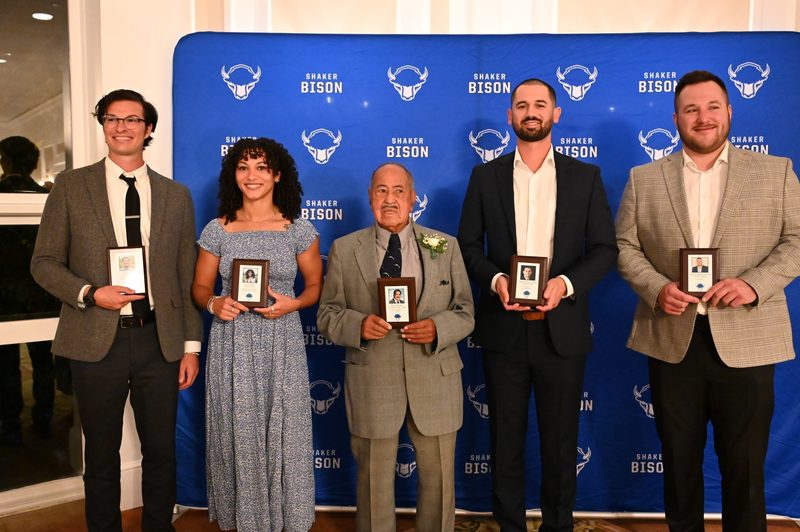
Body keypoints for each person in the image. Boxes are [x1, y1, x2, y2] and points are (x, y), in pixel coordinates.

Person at [616, 70, 800, 532]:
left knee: (744, 467)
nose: (703, 118)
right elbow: (625, 248)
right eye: (691, 109)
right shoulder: (644, 178)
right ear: (675, 117)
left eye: (712, 107)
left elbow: (797, 241)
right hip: (671, 338)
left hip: (748, 337)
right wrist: (657, 288)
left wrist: (754, 284)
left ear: (729, 112)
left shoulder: (774, 171)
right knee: (678, 464)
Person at [30, 89, 203, 531]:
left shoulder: (175, 195)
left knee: (162, 452)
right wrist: (90, 292)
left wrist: (189, 346)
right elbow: (44, 263)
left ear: (148, 129)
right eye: (112, 118)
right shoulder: (71, 185)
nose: (121, 127)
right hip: (95, 339)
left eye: (132, 119)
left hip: (157, 341)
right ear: (103, 125)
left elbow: (185, 276)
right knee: (101, 454)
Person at [457, 78, 617, 532]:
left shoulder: (585, 178)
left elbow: (605, 249)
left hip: (561, 329)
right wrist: (497, 279)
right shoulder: (484, 177)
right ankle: (509, 525)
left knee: (561, 443)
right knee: (504, 439)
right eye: (521, 105)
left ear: (556, 114)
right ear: (509, 116)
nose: (531, 111)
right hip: (502, 328)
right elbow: (467, 245)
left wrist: (564, 284)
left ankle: (558, 525)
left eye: (540, 104)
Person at [317, 162, 474, 532]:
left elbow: (466, 311)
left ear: (413, 197)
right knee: (373, 484)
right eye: (382, 191)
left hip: (434, 378)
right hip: (373, 381)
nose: (391, 199)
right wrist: (359, 325)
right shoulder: (344, 248)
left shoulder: (443, 245)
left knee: (438, 485)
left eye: (399, 190)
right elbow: (327, 314)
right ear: (370, 196)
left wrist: (437, 328)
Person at [192, 137, 322, 531]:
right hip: (232, 343)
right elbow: (200, 287)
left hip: (281, 340)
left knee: (287, 431)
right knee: (238, 432)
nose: (252, 176)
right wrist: (215, 304)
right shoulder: (218, 229)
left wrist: (294, 304)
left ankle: (287, 519)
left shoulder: (297, 229)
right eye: (244, 167)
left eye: (262, 167)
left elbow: (316, 286)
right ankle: (243, 520)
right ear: (234, 174)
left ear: (277, 174)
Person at [0, 135, 56, 445]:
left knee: (6, 367)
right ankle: (43, 420)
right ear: (34, 164)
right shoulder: (47, 196)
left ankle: (10, 425)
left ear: (4, 161)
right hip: (42, 293)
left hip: (4, 295)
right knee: (43, 364)